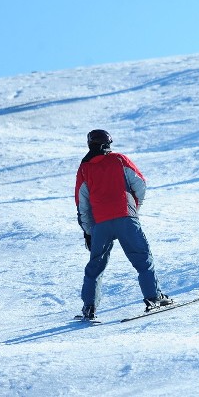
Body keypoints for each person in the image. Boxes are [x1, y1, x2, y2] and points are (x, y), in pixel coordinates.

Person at [74, 129, 171, 320]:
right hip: (126, 217)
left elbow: (81, 203)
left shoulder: (84, 168)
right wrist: (134, 206)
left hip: (100, 224)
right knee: (142, 258)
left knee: (95, 265)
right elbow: (140, 184)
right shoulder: (119, 159)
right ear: (107, 144)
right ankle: (153, 298)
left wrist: (88, 231)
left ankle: (89, 308)